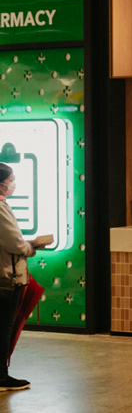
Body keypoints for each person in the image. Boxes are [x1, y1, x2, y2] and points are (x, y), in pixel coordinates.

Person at [0, 162, 49, 391]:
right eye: (10, 180)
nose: (13, 184)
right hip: (6, 277)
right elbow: (14, 242)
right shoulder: (0, 209)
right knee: (3, 328)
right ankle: (0, 376)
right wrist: (31, 247)